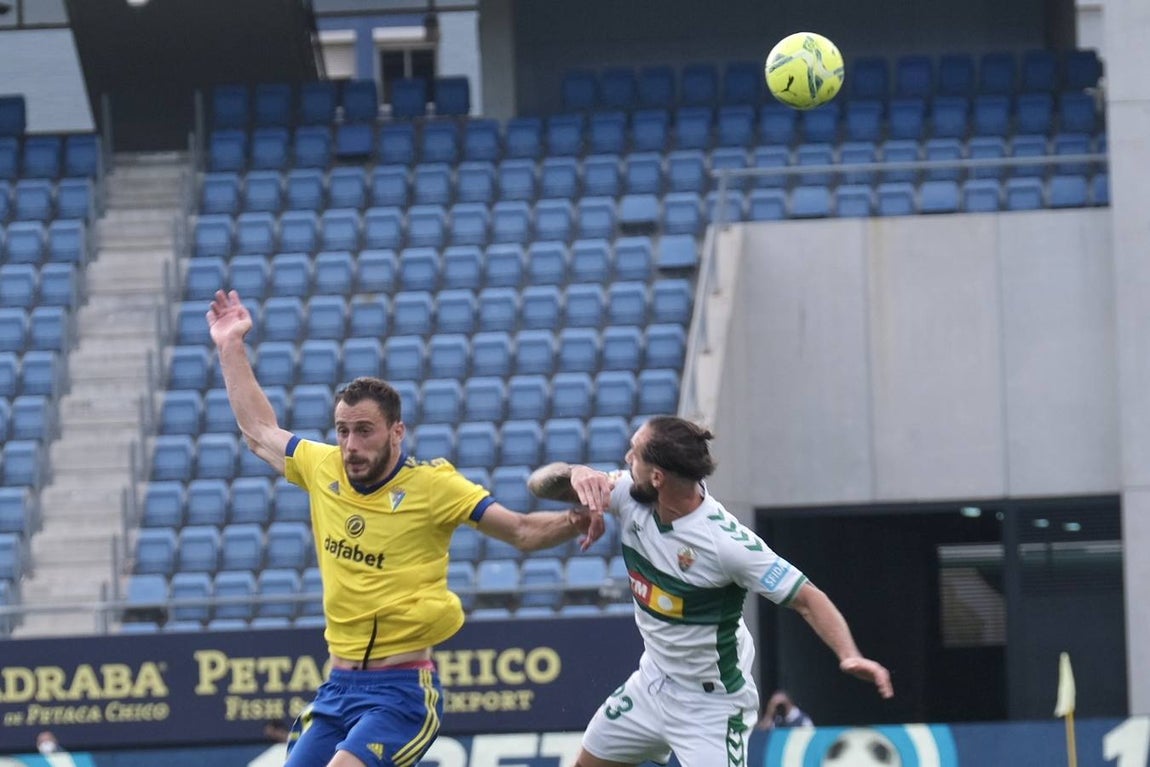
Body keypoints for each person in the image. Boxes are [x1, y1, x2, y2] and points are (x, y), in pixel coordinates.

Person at [206, 290, 603, 767]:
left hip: (400, 694)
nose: (350, 444)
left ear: (397, 432)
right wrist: (230, 345)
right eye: (343, 430)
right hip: (336, 687)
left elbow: (519, 530)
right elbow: (259, 433)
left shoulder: (434, 486)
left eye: (364, 430)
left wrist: (573, 519)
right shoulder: (322, 467)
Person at [527, 415, 893, 767]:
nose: (626, 460)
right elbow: (539, 484)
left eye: (633, 453)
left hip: (711, 707)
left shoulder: (725, 544)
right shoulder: (626, 492)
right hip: (651, 684)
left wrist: (849, 655)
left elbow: (808, 597)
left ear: (657, 477)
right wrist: (576, 474)